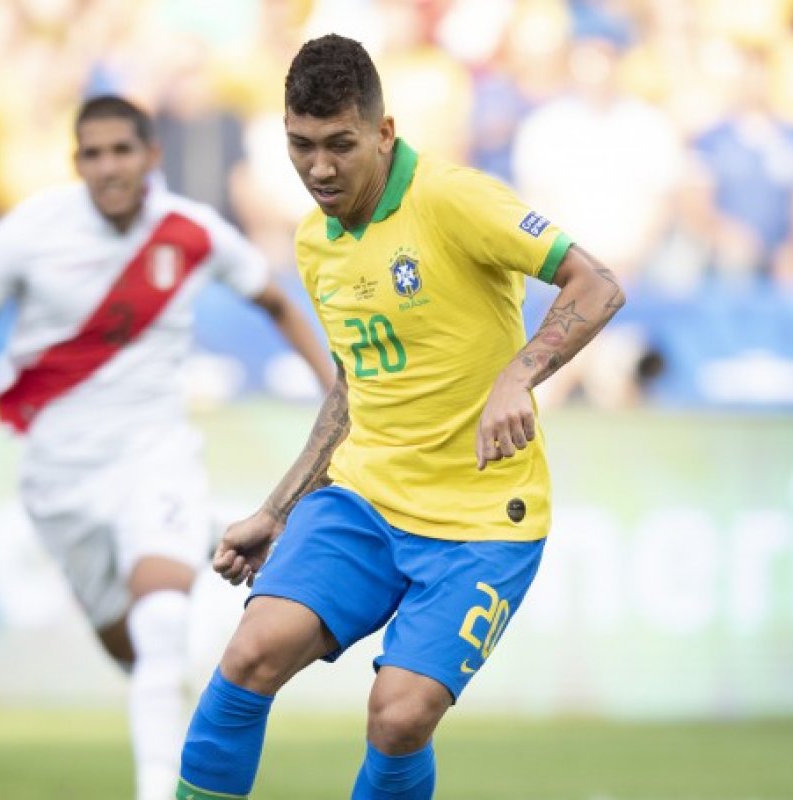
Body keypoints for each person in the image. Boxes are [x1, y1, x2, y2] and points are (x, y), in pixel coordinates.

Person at [176, 34, 625, 800]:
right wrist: (277, 509)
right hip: (364, 499)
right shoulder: (315, 242)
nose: (318, 168)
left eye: (340, 145)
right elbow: (356, 384)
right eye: (301, 146)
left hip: (483, 518)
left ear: (383, 132)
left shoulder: (456, 200)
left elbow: (597, 283)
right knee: (252, 653)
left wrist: (518, 376)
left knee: (399, 716)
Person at [0, 94, 333, 800]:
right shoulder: (31, 231)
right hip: (58, 475)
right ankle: (193, 559)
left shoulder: (191, 230)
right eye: (94, 153)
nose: (109, 166)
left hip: (154, 452)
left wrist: (338, 397)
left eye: (122, 150)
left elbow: (277, 304)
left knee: (162, 617)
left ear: (152, 156)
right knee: (139, 650)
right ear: (76, 162)